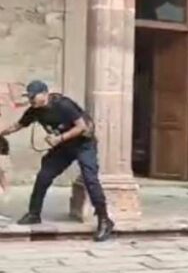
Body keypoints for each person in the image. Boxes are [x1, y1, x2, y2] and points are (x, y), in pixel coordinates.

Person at [0, 80, 114, 242]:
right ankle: (34, 213)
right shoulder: (34, 110)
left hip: (83, 145)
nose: (31, 99)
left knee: (90, 179)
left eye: (34, 95)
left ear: (45, 94)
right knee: (44, 176)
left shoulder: (63, 105)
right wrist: (2, 133)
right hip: (63, 148)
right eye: (29, 96)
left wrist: (59, 138)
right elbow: (18, 125)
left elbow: (81, 126)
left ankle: (104, 220)